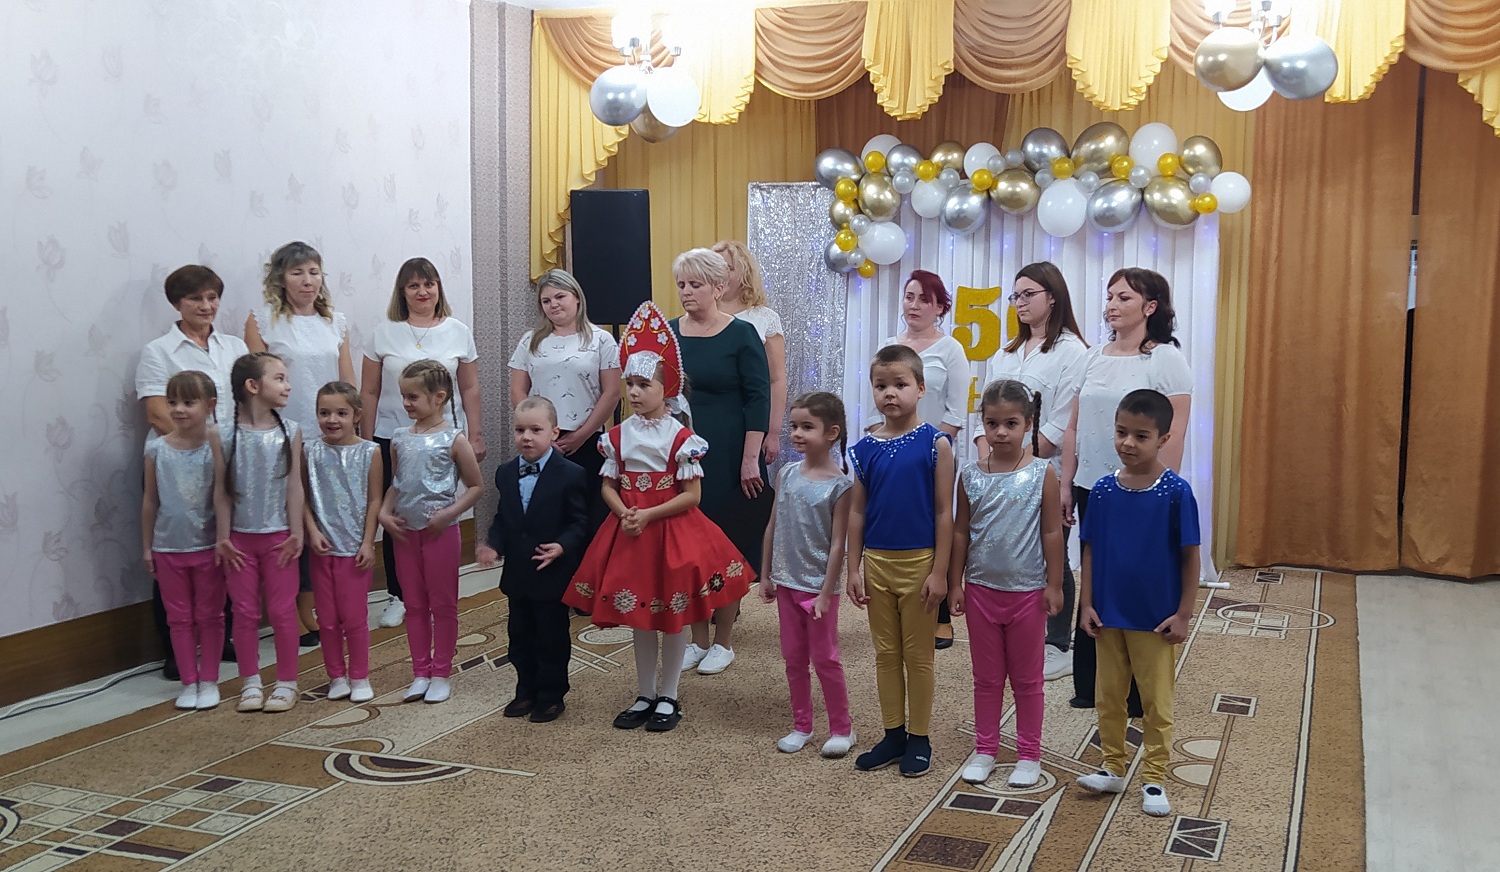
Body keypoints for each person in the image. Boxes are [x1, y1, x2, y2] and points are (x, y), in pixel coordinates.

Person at [563, 302, 753, 733]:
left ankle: (669, 695)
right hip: (630, 534)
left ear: (665, 388)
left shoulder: (682, 438)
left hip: (671, 534)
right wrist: (624, 513)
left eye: (642, 384)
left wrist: (648, 513)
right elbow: (608, 485)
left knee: (672, 616)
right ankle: (645, 692)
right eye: (629, 384)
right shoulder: (617, 436)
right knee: (641, 619)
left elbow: (692, 496)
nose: (633, 392)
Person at [1060, 268, 1192, 713]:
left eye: (1124, 298)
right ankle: (1091, 683)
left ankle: (1139, 690)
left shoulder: (1165, 359)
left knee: (1136, 578)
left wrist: (1161, 492)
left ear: (1150, 307)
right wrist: (1066, 483)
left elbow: (1174, 432)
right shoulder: (1092, 357)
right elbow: (1074, 426)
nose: (1112, 305)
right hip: (1094, 487)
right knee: (1095, 576)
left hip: (1143, 492)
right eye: (1109, 297)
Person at [1075, 389, 1201, 817]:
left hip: (1155, 619)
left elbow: (1190, 556)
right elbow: (1090, 549)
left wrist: (1183, 613)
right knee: (1108, 696)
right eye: (1121, 432)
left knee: (1155, 701)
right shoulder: (1103, 490)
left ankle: (1154, 777)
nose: (1128, 443)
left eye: (1141, 436)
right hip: (1108, 615)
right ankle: (1112, 766)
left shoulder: (1176, 492)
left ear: (1163, 438)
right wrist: (1086, 604)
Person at [948, 380, 1064, 788]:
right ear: (982, 424)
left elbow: (1052, 532)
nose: (1000, 432)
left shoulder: (1042, 473)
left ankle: (1029, 754)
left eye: (1011, 424)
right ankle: (985, 748)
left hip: (1027, 592)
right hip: (981, 591)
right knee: (986, 677)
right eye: (992, 423)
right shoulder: (970, 475)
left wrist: (1054, 584)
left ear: (1028, 424)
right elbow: (960, 531)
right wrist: (956, 583)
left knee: (1028, 679)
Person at [846, 344, 954, 778]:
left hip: (920, 563)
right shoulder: (864, 449)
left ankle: (920, 737)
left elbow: (944, 511)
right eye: (881, 386)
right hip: (877, 563)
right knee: (886, 653)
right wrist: (853, 567)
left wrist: (941, 572)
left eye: (900, 384)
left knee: (919, 655)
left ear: (920, 388)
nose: (889, 393)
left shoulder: (936, 444)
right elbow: (857, 512)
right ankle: (893, 733)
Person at [136, 265, 246, 679]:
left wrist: (227, 456)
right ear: (176, 304)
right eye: (195, 298)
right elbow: (157, 412)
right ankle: (173, 649)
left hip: (226, 460)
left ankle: (223, 637)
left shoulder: (234, 346)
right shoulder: (158, 351)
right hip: (177, 465)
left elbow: (245, 403)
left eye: (212, 297)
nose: (206, 306)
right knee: (175, 555)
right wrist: (203, 448)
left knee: (224, 548)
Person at [362, 257, 484, 630]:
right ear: (402, 292)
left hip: (443, 442)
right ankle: (399, 595)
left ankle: (438, 590)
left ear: (438, 288)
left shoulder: (458, 331)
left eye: (429, 284)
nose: (422, 292)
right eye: (413, 285)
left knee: (439, 513)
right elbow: (369, 391)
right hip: (393, 438)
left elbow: (469, 387)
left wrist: (475, 433)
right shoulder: (383, 333)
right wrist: (365, 442)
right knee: (397, 515)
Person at [246, 241, 355, 645]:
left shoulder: (335, 322)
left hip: (329, 434)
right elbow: (255, 385)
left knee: (324, 522)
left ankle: (318, 605)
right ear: (280, 278)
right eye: (297, 273)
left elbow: (346, 382)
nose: (307, 281)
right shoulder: (263, 321)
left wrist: (350, 430)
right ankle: (289, 610)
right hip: (283, 438)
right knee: (290, 523)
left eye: (313, 272)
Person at [983, 262, 1088, 682]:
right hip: (999, 471)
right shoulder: (1006, 352)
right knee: (1011, 552)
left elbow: (1060, 422)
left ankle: (1058, 643)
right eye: (1016, 296)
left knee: (1052, 553)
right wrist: (988, 462)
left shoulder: (1073, 352)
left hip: (1046, 470)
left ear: (1053, 298)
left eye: (1028, 294)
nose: (1020, 303)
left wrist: (1020, 463)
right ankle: (1019, 629)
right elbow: (986, 412)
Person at [670, 249, 771, 677]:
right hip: (682, 453)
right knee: (689, 548)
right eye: (681, 284)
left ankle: (723, 641)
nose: (686, 292)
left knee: (726, 544)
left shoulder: (742, 333)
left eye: (695, 284)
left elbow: (758, 397)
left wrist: (750, 459)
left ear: (718, 287)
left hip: (731, 452)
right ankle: (697, 639)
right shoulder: (670, 333)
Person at [477, 396, 590, 724]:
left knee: (551, 638)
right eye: (519, 430)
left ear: (554, 432)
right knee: (520, 636)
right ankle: (525, 689)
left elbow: (580, 522)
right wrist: (493, 544)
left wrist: (562, 546)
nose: (526, 437)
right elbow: (503, 517)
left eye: (535, 430)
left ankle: (551, 695)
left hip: (552, 573)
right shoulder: (505, 473)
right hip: (519, 574)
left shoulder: (571, 474)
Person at [378, 360, 484, 705]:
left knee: (443, 604)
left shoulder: (454, 439)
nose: (406, 403)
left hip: (441, 533)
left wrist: (450, 513)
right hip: (405, 534)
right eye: (403, 396)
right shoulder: (399, 438)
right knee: (414, 604)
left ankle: (441, 672)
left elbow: (476, 486)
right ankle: (420, 672)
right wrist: (383, 513)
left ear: (439, 397)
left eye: (413, 397)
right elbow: (396, 484)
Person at [873, 270, 967, 651]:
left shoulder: (951, 349)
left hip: (934, 453)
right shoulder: (888, 345)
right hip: (893, 455)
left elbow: (956, 413)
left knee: (937, 524)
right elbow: (881, 404)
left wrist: (925, 448)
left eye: (924, 299)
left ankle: (940, 612)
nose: (913, 305)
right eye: (909, 296)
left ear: (940, 307)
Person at [759, 392, 855, 758]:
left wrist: (827, 593)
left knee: (825, 658)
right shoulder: (786, 473)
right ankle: (802, 724)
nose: (797, 434)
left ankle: (842, 728)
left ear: (831, 432)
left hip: (817, 589)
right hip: (786, 583)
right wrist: (766, 574)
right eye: (794, 426)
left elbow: (838, 544)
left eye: (807, 427)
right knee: (793, 657)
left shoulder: (840, 485)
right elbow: (772, 525)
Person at [213, 352, 305, 714]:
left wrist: (296, 532)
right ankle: (250, 681)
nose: (288, 386)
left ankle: (287, 681)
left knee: (282, 611)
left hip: (280, 539)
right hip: (239, 542)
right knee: (244, 612)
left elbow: (294, 486)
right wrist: (224, 537)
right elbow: (221, 490)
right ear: (253, 386)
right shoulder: (222, 434)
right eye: (279, 379)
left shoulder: (291, 431)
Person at [507, 269, 619, 532]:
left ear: (576, 297)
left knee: (585, 514)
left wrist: (580, 435)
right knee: (544, 513)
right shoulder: (530, 341)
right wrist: (539, 434)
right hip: (540, 441)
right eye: (546, 301)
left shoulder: (601, 340)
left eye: (560, 297)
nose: (554, 305)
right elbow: (518, 391)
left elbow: (612, 392)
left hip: (586, 438)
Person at [140, 370, 225, 711]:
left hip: (208, 547)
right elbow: (150, 500)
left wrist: (223, 539)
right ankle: (189, 681)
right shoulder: (156, 449)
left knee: (210, 615)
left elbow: (224, 497)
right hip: (168, 549)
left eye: (188, 402)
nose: (178, 409)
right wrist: (147, 546)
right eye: (172, 402)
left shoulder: (216, 447)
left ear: (209, 405)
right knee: (178, 618)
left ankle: (210, 680)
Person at [303, 381, 382, 705]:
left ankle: (359, 675)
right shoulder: (309, 451)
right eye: (324, 413)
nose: (332, 420)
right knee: (327, 617)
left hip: (355, 550)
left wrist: (368, 542)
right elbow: (302, 497)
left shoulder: (370, 452)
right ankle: (336, 675)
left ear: (356, 416)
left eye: (340, 413)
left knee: (354, 617)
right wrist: (312, 531)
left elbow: (375, 499)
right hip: (322, 549)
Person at [712, 240, 787, 464]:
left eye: (728, 268)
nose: (720, 274)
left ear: (744, 273)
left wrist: (773, 432)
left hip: (749, 420)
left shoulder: (764, 318)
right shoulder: (698, 316)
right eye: (714, 268)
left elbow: (777, 380)